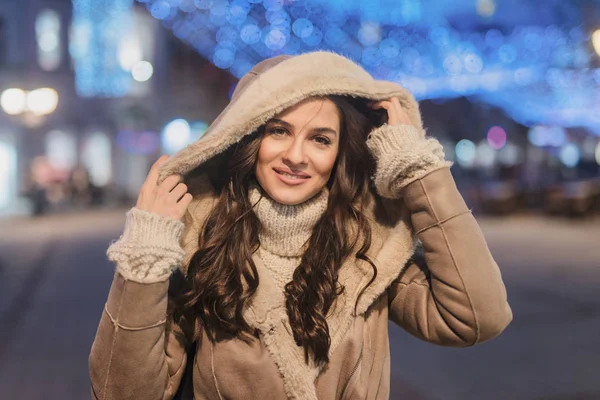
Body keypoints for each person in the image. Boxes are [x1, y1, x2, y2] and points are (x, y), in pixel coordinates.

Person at [89, 51, 512, 400]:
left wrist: (418, 171)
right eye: (279, 131)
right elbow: (120, 393)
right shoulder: (201, 247)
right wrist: (144, 259)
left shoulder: (373, 249)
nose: (296, 155)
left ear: (340, 153)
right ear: (249, 139)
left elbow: (477, 317)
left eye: (320, 139)